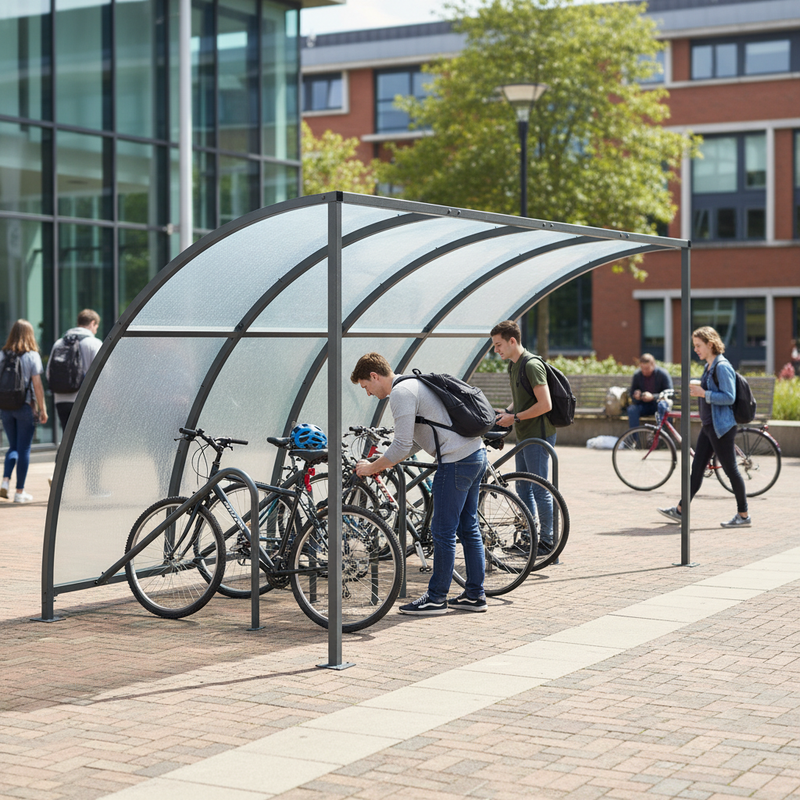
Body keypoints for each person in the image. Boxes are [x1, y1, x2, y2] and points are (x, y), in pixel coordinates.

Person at [351, 352, 488, 615]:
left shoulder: (401, 394)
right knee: (468, 526)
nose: (368, 393)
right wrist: (386, 460)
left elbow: (402, 444)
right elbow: (416, 440)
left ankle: (436, 598)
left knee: (443, 531)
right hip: (474, 453)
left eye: (366, 387)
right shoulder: (416, 383)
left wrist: (373, 467)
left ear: (374, 376)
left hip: (456, 461)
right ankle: (474, 595)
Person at [658, 326, 751, 528]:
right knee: (697, 468)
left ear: (710, 344)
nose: (696, 349)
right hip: (709, 427)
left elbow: (729, 397)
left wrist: (703, 394)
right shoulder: (709, 366)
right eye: (694, 346)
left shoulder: (722, 366)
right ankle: (681, 510)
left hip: (722, 428)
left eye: (698, 345)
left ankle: (743, 515)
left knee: (731, 470)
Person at [489, 320, 556, 556]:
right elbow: (522, 397)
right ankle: (530, 536)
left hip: (538, 435)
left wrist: (514, 417)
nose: (496, 350)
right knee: (523, 487)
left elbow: (545, 404)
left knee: (539, 489)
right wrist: (507, 412)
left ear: (512, 341)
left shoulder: (531, 365)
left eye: (498, 345)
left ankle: (547, 542)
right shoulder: (513, 365)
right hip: (525, 435)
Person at [0, 320, 49, 503]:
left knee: (12, 447)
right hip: (24, 407)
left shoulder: (2, 355)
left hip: (5, 408)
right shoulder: (32, 356)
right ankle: (20, 492)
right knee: (24, 449)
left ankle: (5, 482)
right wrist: (42, 409)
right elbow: (37, 386)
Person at [46, 309, 102, 433]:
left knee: (67, 440)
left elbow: (49, 373)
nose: (96, 330)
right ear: (93, 323)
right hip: (85, 401)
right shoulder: (94, 343)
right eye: (96, 326)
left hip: (61, 399)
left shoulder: (59, 343)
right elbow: (103, 375)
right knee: (85, 441)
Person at [627, 353, 673, 428]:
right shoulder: (637, 375)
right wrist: (636, 395)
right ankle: (634, 438)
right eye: (642, 368)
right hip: (644, 405)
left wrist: (653, 397)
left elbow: (670, 393)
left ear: (653, 365)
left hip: (658, 404)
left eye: (647, 369)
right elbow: (632, 393)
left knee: (663, 406)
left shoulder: (663, 374)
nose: (644, 371)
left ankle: (663, 436)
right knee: (632, 409)